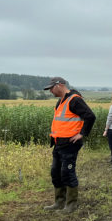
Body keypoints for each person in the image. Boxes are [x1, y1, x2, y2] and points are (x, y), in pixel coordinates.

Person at [43, 77, 96, 213]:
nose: (50, 91)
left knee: (67, 172)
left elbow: (90, 116)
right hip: (58, 143)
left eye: (51, 88)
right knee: (56, 173)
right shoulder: (60, 101)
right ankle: (59, 202)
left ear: (60, 85)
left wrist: (82, 134)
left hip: (70, 144)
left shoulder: (74, 100)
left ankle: (71, 205)